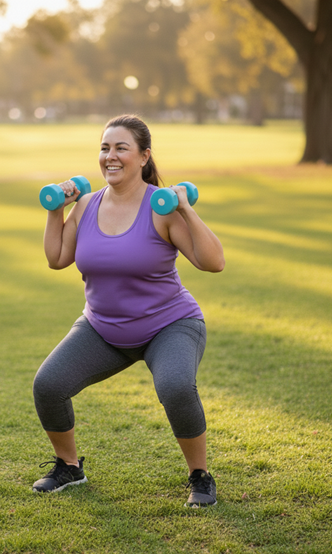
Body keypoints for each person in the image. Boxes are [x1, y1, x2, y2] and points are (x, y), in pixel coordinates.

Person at [32, 114, 225, 508]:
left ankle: (200, 476)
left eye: (121, 148)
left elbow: (214, 262)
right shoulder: (86, 206)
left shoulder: (161, 207)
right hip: (103, 328)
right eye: (104, 148)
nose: (110, 157)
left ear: (143, 156)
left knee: (174, 386)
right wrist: (58, 208)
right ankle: (69, 467)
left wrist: (186, 209)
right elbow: (56, 258)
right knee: (48, 385)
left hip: (169, 324)